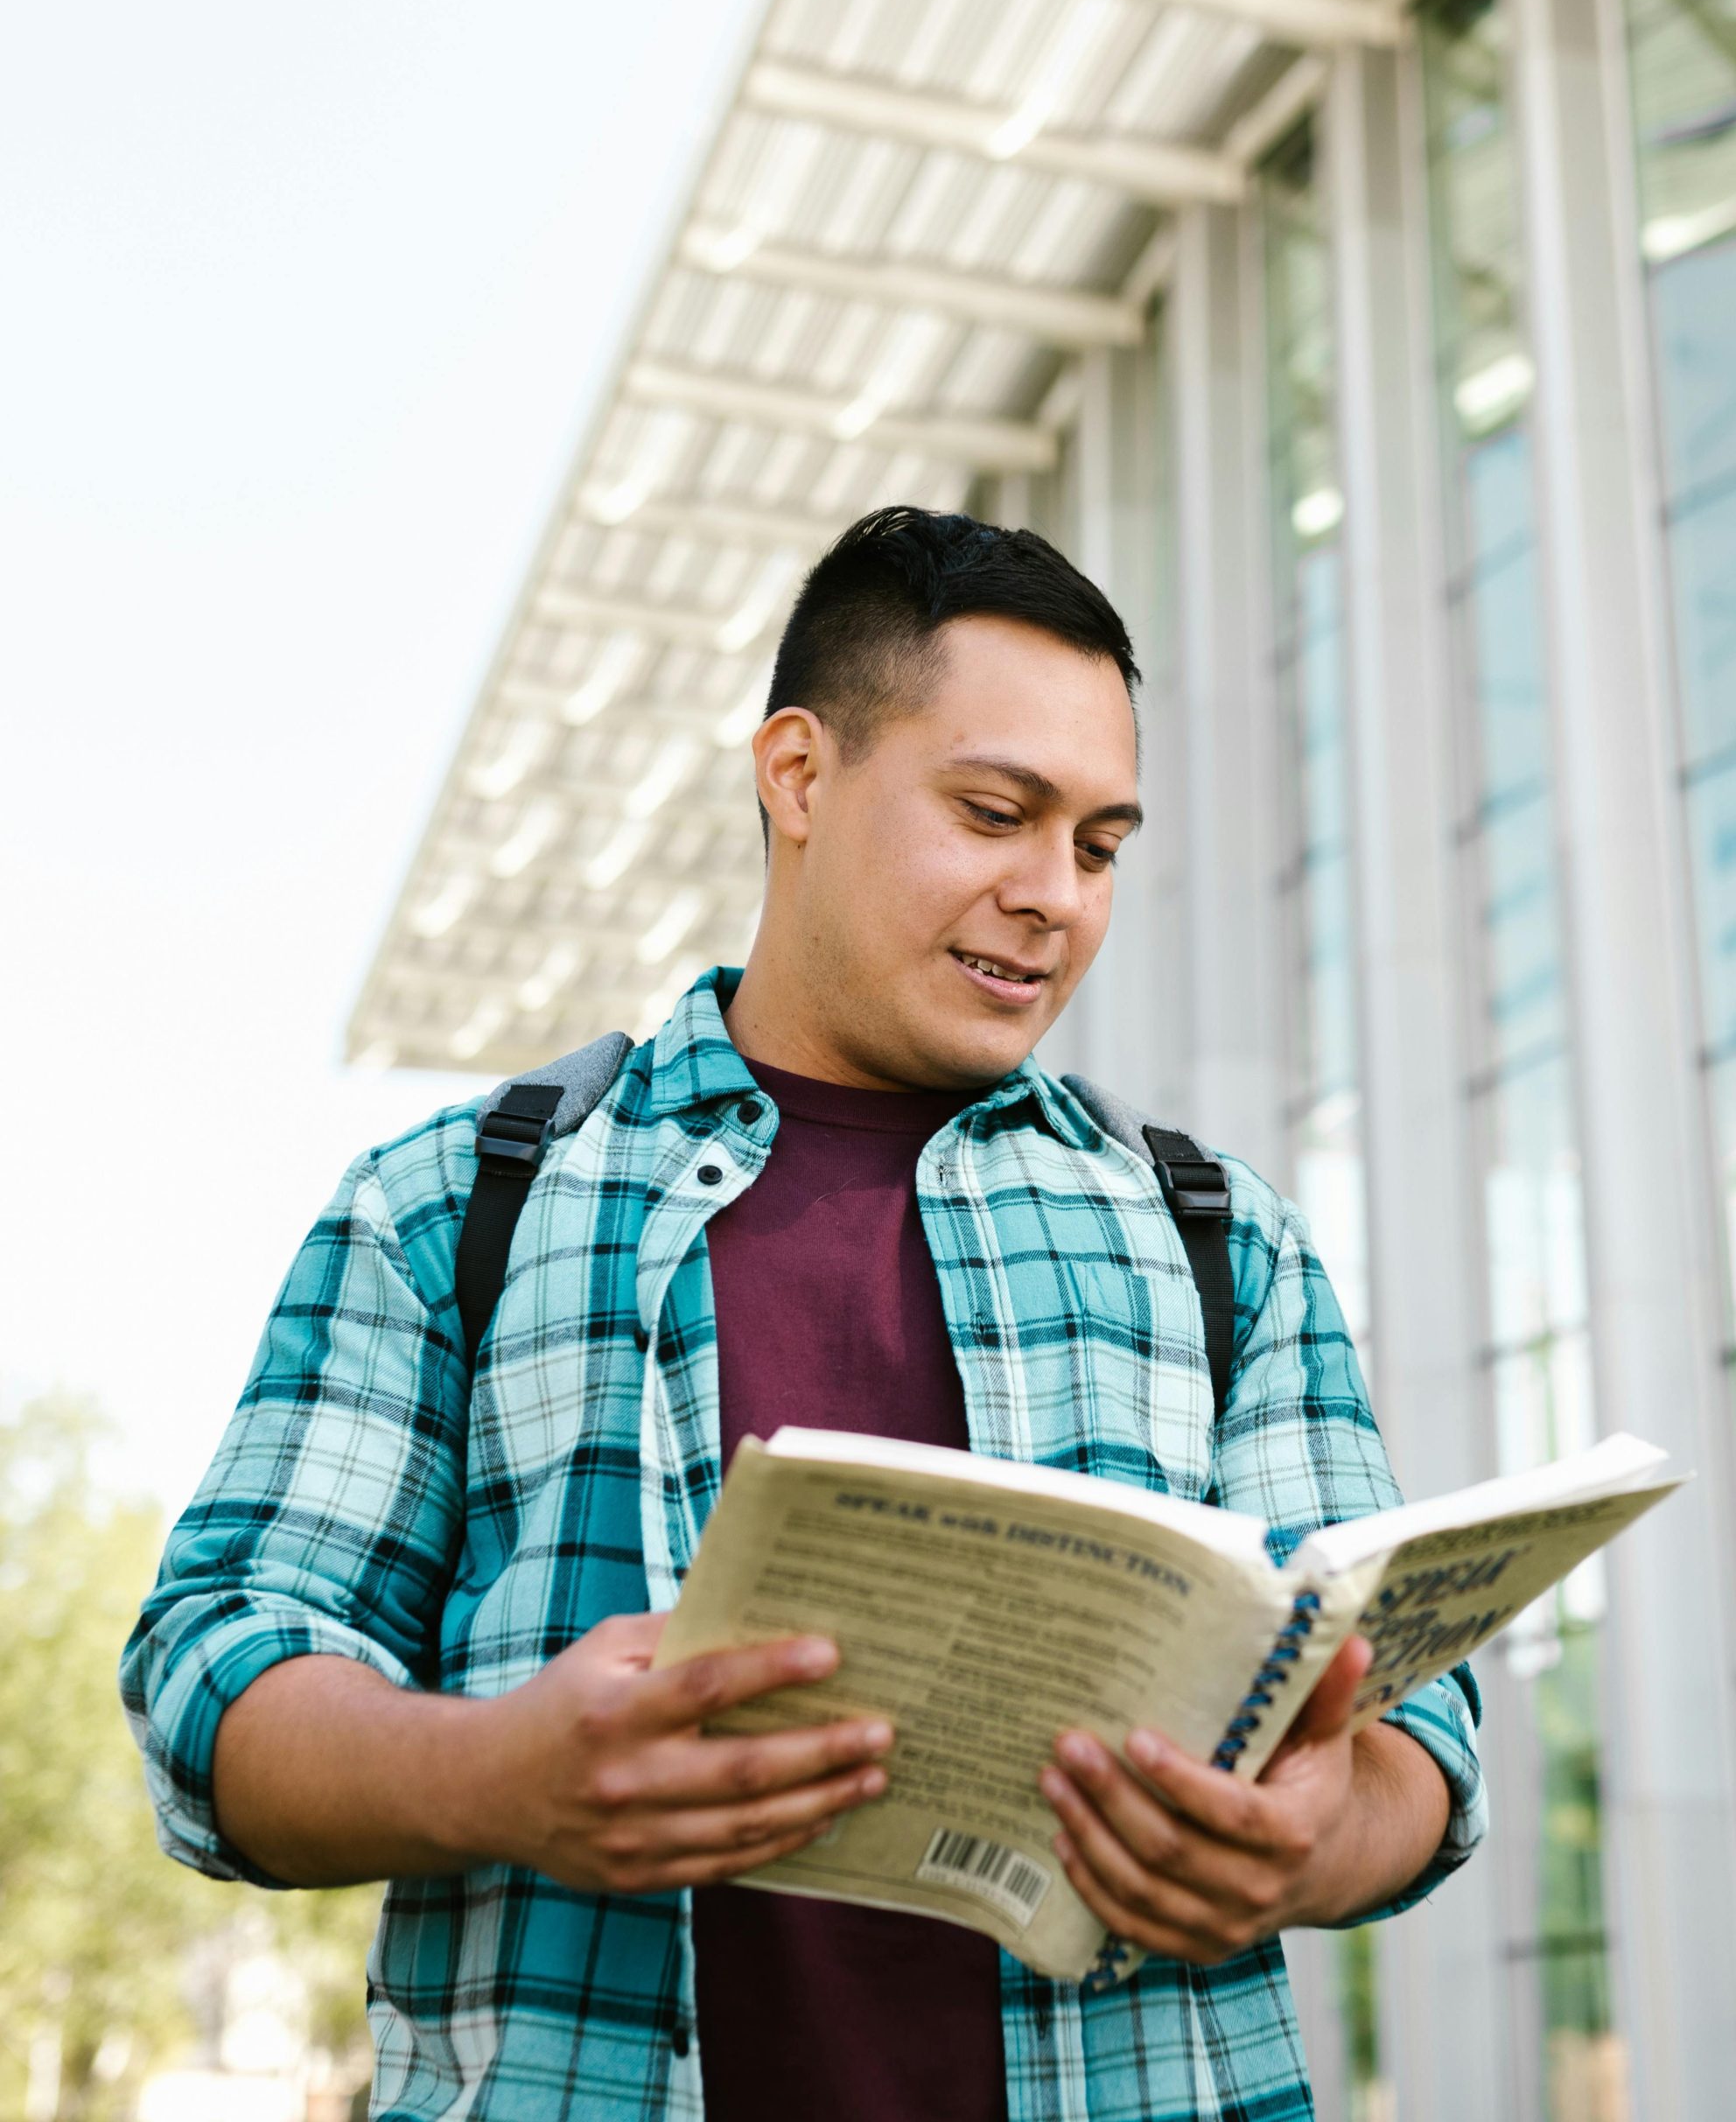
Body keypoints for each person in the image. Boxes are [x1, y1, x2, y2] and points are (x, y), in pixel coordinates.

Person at [123, 506, 1485, 2122]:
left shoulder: (1221, 1241)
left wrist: (1313, 1837)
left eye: (1101, 845)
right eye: (996, 812)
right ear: (797, 775)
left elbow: (1417, 1737)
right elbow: (219, 1669)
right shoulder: (454, 1206)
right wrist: (498, 1775)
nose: (1054, 895)